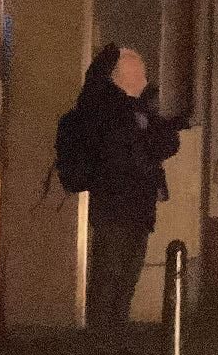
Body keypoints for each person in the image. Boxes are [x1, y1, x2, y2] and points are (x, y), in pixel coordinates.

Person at [52, 43, 184, 335]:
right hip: (114, 204)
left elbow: (166, 143)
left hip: (136, 204)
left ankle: (115, 335)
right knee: (110, 273)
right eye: (139, 74)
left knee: (127, 274)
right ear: (119, 78)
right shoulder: (105, 110)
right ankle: (103, 339)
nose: (145, 81)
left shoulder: (139, 110)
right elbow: (124, 152)